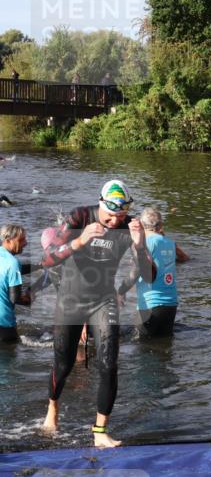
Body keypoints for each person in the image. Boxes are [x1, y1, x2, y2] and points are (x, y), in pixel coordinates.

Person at [41, 180, 156, 448]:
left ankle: (100, 431)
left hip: (103, 301)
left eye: (121, 215)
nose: (115, 221)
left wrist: (139, 246)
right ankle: (52, 409)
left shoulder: (131, 226)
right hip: (70, 299)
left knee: (109, 364)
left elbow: (150, 276)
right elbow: (48, 259)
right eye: (110, 214)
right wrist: (80, 241)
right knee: (64, 362)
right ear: (100, 203)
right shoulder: (80, 216)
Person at [118, 207, 188, 337]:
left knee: (143, 348)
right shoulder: (171, 243)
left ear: (141, 225)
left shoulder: (143, 243)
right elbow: (183, 259)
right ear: (161, 225)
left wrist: (121, 291)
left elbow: (137, 270)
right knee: (163, 347)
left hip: (150, 304)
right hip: (171, 305)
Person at [0, 224, 31, 342]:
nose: (26, 243)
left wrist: (39, 266)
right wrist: (29, 296)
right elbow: (15, 298)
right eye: (21, 240)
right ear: (8, 241)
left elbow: (9, 272)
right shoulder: (13, 263)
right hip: (4, 328)